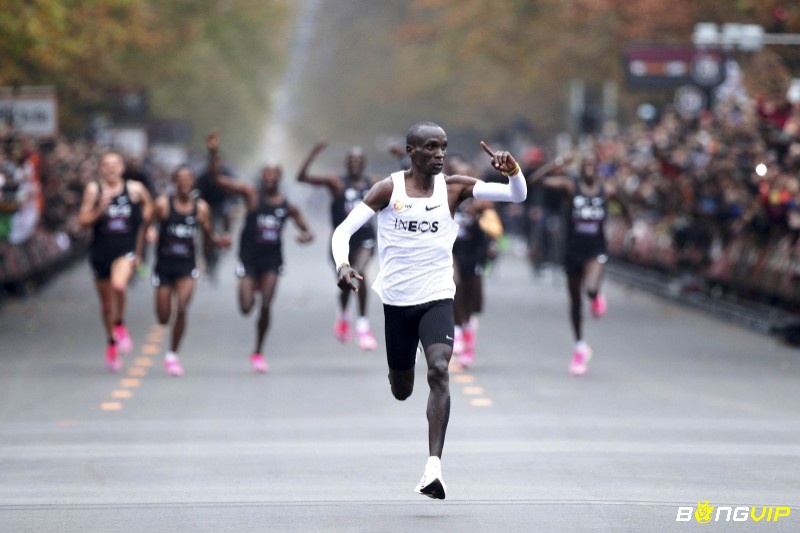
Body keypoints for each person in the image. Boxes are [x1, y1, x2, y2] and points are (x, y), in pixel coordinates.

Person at [331, 122, 526, 500]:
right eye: (431, 148)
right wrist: (342, 264)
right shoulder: (387, 189)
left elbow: (516, 196)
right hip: (397, 302)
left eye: (443, 147)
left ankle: (433, 468)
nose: (439, 154)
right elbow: (343, 232)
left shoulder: (455, 187)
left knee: (439, 369)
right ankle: (398, 375)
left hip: (437, 296)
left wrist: (512, 169)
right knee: (402, 389)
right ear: (411, 151)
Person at [207, 132, 314, 372]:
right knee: (246, 308)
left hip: (272, 260)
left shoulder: (287, 205)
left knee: (266, 304)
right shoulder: (251, 195)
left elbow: (307, 231)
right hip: (248, 257)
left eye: (273, 175)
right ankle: (251, 287)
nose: (268, 178)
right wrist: (213, 152)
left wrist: (304, 237)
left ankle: (258, 351)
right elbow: (217, 179)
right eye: (265, 174)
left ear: (279, 178)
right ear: (261, 177)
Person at [529, 151, 630, 376]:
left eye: (592, 164)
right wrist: (556, 163)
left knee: (591, 288)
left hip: (595, 249)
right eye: (584, 164)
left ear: (598, 167)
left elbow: (625, 208)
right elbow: (535, 181)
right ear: (580, 168)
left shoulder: (608, 190)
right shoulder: (569, 186)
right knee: (575, 302)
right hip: (572, 250)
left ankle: (596, 296)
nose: (588, 167)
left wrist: (627, 228)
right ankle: (580, 347)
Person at [150, 164, 231, 376]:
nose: (185, 182)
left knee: (182, 308)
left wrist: (218, 242)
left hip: (187, 265)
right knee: (163, 316)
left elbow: (208, 235)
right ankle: (168, 336)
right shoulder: (162, 204)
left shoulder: (201, 208)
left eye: (189, 179)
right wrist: (142, 247)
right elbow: (145, 226)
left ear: (193, 183)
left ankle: (172, 355)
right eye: (181, 179)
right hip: (164, 265)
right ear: (174, 182)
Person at [297, 141, 378, 350]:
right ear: (346, 164)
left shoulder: (373, 184)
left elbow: (403, 184)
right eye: (351, 160)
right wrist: (313, 153)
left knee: (360, 273)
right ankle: (343, 315)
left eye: (358, 160)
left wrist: (402, 159)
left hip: (365, 239)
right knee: (345, 283)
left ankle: (363, 326)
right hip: (341, 241)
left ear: (364, 164)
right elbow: (302, 177)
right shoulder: (336, 184)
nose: (354, 163)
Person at [78, 150, 153, 372]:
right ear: (101, 169)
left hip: (126, 249)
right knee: (106, 304)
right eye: (106, 164)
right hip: (101, 250)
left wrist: (148, 227)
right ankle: (111, 344)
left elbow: (150, 207)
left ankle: (120, 325)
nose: (111, 168)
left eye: (115, 164)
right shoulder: (95, 190)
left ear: (122, 167)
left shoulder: (135, 189)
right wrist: (99, 210)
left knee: (118, 285)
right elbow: (83, 220)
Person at [448, 154, 503, 368]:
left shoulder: (481, 202)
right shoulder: (444, 198)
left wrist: (481, 214)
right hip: (452, 252)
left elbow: (496, 230)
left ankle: (468, 332)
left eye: (464, 175)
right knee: (455, 285)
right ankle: (459, 333)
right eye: (456, 174)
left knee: (474, 301)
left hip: (474, 253)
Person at [195, 147, 237, 282]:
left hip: (223, 206)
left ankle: (227, 233)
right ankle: (207, 259)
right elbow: (195, 194)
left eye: (218, 160)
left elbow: (236, 192)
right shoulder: (202, 176)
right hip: (207, 207)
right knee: (205, 234)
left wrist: (234, 204)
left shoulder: (228, 174)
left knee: (229, 213)